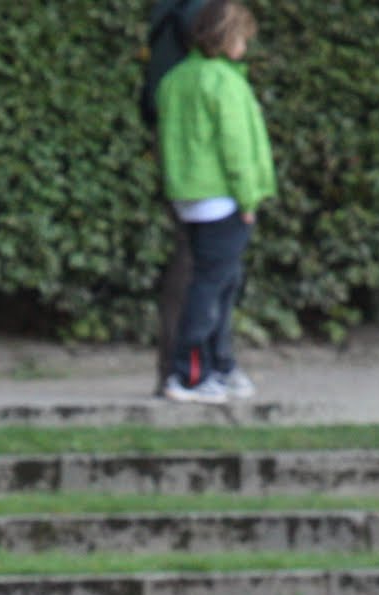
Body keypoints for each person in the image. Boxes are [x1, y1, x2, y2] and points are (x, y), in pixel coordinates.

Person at [155, 0, 277, 405]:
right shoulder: (225, 83)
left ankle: (219, 365)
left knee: (218, 282)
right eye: (242, 37)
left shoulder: (175, 79)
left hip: (188, 195)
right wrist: (248, 197)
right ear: (226, 38)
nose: (246, 45)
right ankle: (190, 373)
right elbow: (237, 148)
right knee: (210, 288)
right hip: (222, 198)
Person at [139, 0, 207, 394]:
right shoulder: (199, 16)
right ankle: (187, 370)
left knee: (193, 257)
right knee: (199, 261)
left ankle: (182, 367)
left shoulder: (168, 16)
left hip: (179, 144)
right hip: (198, 152)